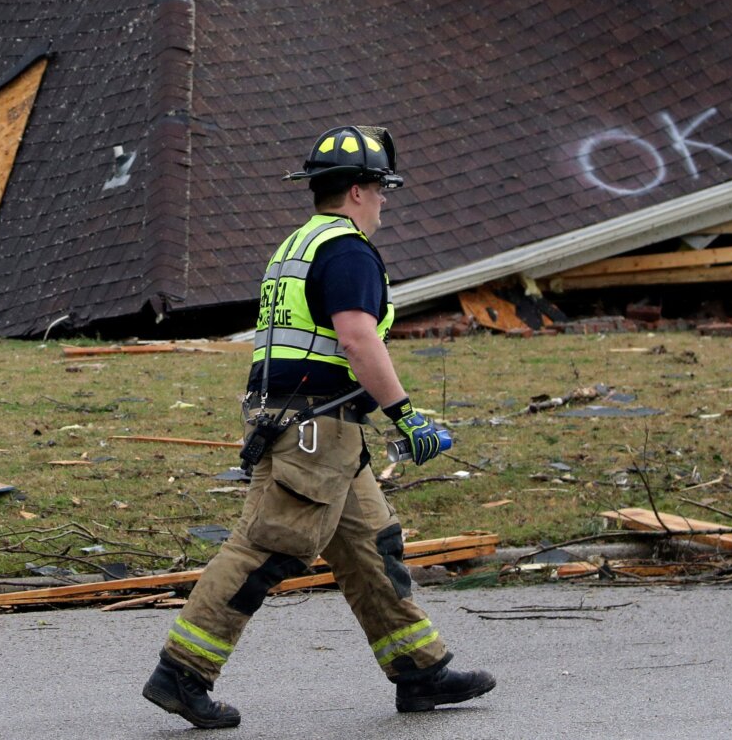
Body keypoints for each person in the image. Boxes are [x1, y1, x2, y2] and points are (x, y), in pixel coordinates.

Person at [142, 125, 497, 729]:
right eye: (382, 188)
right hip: (315, 428)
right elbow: (358, 339)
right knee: (266, 548)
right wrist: (407, 418)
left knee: (370, 549)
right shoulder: (349, 250)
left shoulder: (299, 245)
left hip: (313, 426)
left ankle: (420, 671)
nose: (385, 200)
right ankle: (182, 673)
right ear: (358, 191)